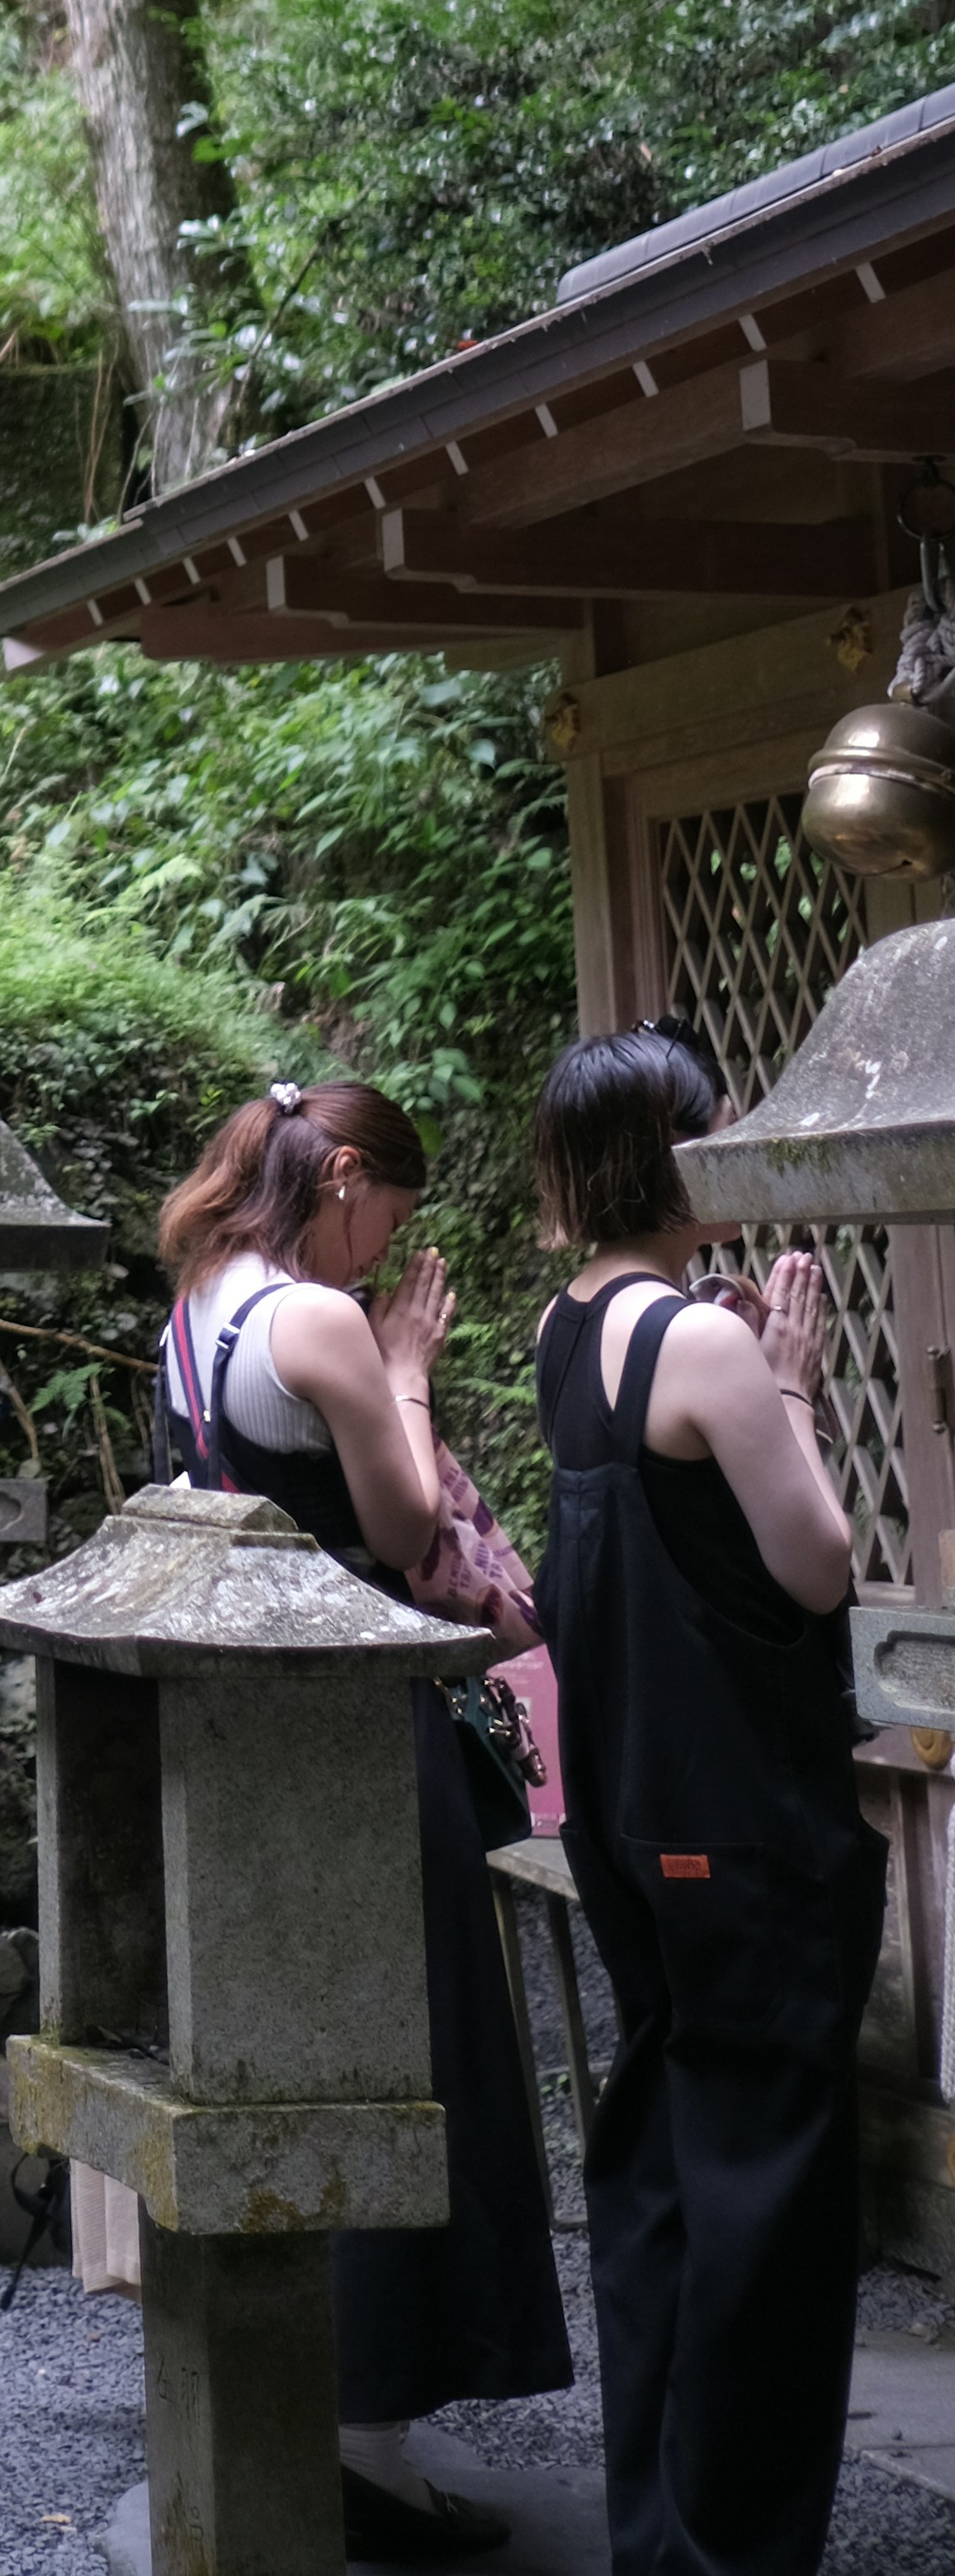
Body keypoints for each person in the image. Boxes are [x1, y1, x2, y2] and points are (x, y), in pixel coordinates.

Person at [158, 1073, 572, 2564]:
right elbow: (397, 1534)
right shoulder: (322, 1322)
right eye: (392, 1207)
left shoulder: (201, 1304)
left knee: (292, 2035)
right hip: (361, 1717)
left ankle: (312, 2405)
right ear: (340, 1174)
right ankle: (370, 2438)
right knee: (417, 2043)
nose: (394, 1245)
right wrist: (402, 1366)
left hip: (246, 1730)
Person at [532, 1021, 882, 2576]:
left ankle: (660, 2529)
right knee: (772, 2194)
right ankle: (737, 2546)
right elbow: (816, 1568)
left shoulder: (573, 1325)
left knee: (667, 2164)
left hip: (626, 1814)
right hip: (740, 1817)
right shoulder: (712, 1344)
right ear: (667, 1155)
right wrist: (792, 1382)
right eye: (718, 1131)